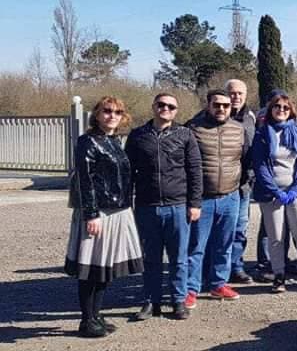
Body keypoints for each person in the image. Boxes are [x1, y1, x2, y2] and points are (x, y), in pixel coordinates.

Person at [65, 96, 143, 338]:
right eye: (107, 111)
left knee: (104, 268)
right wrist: (91, 214)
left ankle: (96, 315)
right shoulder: (87, 142)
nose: (112, 115)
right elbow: (85, 181)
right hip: (97, 213)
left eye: (118, 112)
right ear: (96, 114)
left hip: (118, 211)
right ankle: (86, 320)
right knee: (90, 268)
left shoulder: (114, 142)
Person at [125, 93, 202, 321]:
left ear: (176, 111)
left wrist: (194, 203)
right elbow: (128, 172)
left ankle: (178, 301)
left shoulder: (185, 135)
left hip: (177, 205)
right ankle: (151, 301)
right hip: (147, 206)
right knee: (151, 257)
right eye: (161, 105)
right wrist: (127, 204)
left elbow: (194, 171)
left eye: (171, 106)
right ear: (154, 107)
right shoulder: (138, 136)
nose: (165, 109)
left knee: (179, 257)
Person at [251, 91, 297, 293]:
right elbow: (260, 165)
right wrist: (275, 191)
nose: (281, 110)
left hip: (295, 192)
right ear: (271, 109)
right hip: (271, 193)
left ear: (291, 111)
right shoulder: (262, 134)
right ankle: (279, 275)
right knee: (276, 236)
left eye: (285, 108)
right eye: (277, 107)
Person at [186, 90, 248, 307]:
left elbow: (246, 158)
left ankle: (218, 284)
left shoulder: (239, 129)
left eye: (226, 105)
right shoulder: (193, 128)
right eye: (217, 105)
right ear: (208, 105)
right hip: (202, 198)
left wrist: (244, 183)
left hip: (231, 196)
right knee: (196, 246)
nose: (221, 109)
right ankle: (190, 289)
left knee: (224, 244)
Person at [225, 79, 257, 285]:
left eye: (240, 93)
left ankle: (236, 266)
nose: (236, 97)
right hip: (219, 186)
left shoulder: (251, 118)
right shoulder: (209, 116)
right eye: (232, 93)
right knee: (220, 230)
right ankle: (217, 269)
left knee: (239, 229)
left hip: (244, 184)